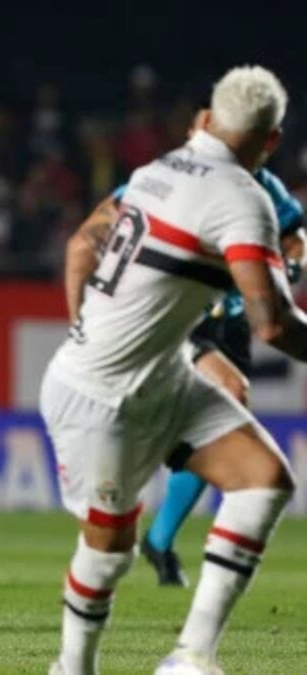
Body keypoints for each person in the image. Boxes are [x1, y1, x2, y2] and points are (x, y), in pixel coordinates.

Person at [44, 65, 299, 675]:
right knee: (109, 550)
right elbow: (273, 324)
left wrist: (84, 323)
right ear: (272, 141)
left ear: (208, 118)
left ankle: (191, 658)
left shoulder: (156, 171)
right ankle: (70, 668)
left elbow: (82, 244)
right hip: (98, 396)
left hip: (163, 373)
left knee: (263, 479)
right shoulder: (243, 198)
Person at [71, 108, 305, 587]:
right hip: (184, 309)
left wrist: (295, 264)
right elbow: (104, 227)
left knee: (220, 420)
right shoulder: (169, 177)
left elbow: (295, 237)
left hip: (233, 319)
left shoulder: (264, 187)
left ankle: (159, 539)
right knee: (230, 394)